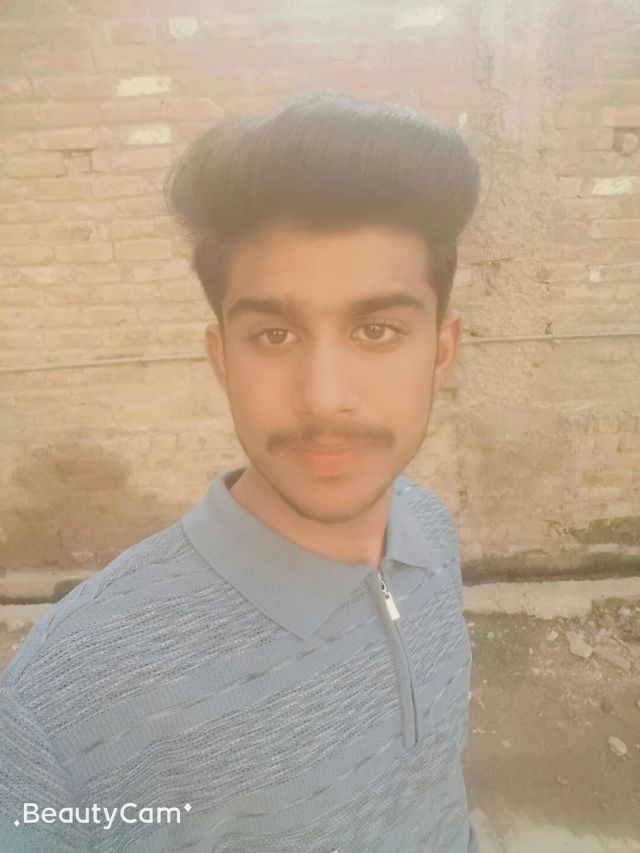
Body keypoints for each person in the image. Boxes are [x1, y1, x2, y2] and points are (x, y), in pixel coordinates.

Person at [0, 91, 481, 852]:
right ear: (222, 357)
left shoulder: (429, 532)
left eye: (377, 329)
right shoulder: (62, 699)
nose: (323, 396)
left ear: (441, 352)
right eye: (275, 335)